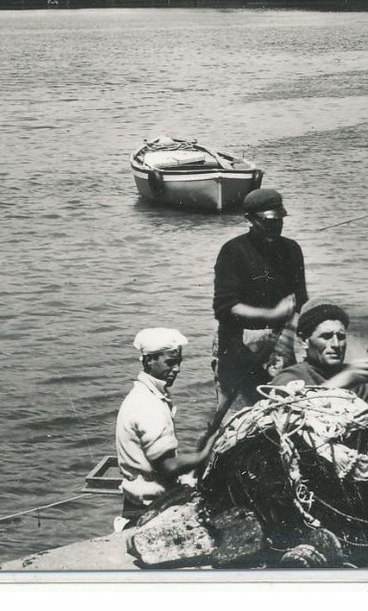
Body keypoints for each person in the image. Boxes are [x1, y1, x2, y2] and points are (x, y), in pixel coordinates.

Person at [203, 187, 308, 443]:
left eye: (279, 220)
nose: (275, 227)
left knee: (285, 415)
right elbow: (225, 308)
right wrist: (272, 314)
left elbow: (300, 300)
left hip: (280, 346)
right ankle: (201, 469)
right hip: (237, 347)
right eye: (268, 222)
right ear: (249, 220)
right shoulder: (233, 252)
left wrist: (293, 333)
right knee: (232, 420)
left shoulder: (292, 250)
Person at [113, 328, 213, 530]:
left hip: (136, 502)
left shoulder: (144, 395)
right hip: (149, 509)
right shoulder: (148, 405)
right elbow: (167, 466)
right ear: (149, 360)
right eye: (170, 362)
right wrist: (206, 453)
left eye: (179, 362)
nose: (177, 369)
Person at [269, 302, 368, 398]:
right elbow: (292, 406)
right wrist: (345, 379)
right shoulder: (289, 377)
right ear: (304, 341)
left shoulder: (357, 378)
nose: (336, 344)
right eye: (326, 337)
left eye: (341, 337)